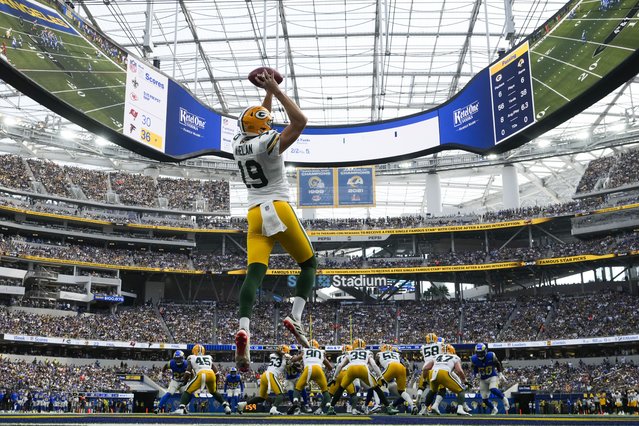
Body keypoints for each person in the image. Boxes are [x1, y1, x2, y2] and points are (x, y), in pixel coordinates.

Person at [232, 70, 317, 372]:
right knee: (308, 264)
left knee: (253, 275)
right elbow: (300, 122)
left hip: (254, 214)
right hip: (278, 206)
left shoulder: (238, 143)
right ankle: (295, 316)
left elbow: (258, 120)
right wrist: (277, 92)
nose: (269, 123)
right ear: (264, 128)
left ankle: (244, 328)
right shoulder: (268, 142)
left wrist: (265, 97)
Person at [326, 338, 398, 415]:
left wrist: (334, 378)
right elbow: (374, 365)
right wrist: (381, 377)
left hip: (351, 369)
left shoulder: (350, 352)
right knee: (376, 388)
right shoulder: (367, 352)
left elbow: (340, 365)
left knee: (341, 388)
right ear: (364, 345)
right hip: (363, 368)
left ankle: (331, 408)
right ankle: (388, 408)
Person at [173, 345, 231, 415]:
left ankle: (181, 409)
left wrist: (185, 382)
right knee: (214, 392)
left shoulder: (192, 357)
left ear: (194, 351)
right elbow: (217, 373)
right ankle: (226, 406)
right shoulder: (208, 357)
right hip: (211, 374)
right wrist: (215, 384)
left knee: (187, 391)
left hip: (201, 374)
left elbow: (188, 372)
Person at [237, 345, 290, 415]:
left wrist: (282, 353)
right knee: (281, 394)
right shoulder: (286, 359)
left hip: (264, 375)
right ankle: (274, 409)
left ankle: (243, 404)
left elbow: (277, 352)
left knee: (262, 397)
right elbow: (291, 360)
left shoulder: (273, 355)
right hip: (271, 375)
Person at [422, 344, 471, 416]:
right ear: (452, 351)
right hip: (444, 373)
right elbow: (459, 371)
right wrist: (465, 381)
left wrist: (425, 379)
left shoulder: (436, 356)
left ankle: (425, 410)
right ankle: (460, 409)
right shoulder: (455, 357)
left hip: (432, 373)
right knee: (461, 391)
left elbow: (425, 368)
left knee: (433, 391)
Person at [287, 339, 332, 415]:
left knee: (298, 388)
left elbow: (295, 359)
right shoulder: (321, 352)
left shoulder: (304, 351)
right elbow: (330, 367)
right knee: (325, 391)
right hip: (318, 370)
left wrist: (291, 358)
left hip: (308, 369)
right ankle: (329, 406)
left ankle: (295, 402)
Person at [470, 343, 509, 415]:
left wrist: (500, 373)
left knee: (492, 388)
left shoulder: (491, 355)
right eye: (478, 353)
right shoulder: (474, 358)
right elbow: (475, 368)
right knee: (484, 399)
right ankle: (494, 409)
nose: (480, 355)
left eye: (481, 353)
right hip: (483, 379)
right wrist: (475, 375)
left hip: (492, 376)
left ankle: (504, 398)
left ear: (485, 351)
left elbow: (497, 363)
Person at [376, 345, 414, 414]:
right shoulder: (397, 358)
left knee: (377, 387)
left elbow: (376, 366)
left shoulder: (383, 356)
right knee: (399, 393)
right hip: (387, 382)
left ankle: (389, 406)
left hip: (390, 381)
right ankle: (412, 405)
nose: (399, 354)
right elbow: (406, 371)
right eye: (398, 353)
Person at [417, 333, 446, 415]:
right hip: (437, 369)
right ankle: (435, 405)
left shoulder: (423, 347)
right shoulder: (440, 344)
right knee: (442, 389)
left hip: (426, 370)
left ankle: (424, 406)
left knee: (430, 389)